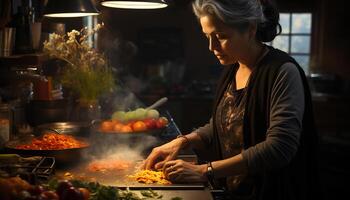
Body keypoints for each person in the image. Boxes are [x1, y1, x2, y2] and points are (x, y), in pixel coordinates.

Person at [142, 0, 320, 199]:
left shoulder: (282, 72)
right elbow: (223, 124)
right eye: (207, 36)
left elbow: (280, 148)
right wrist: (181, 142)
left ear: (251, 29)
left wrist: (205, 170)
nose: (212, 46)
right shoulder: (233, 69)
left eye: (221, 36)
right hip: (235, 191)